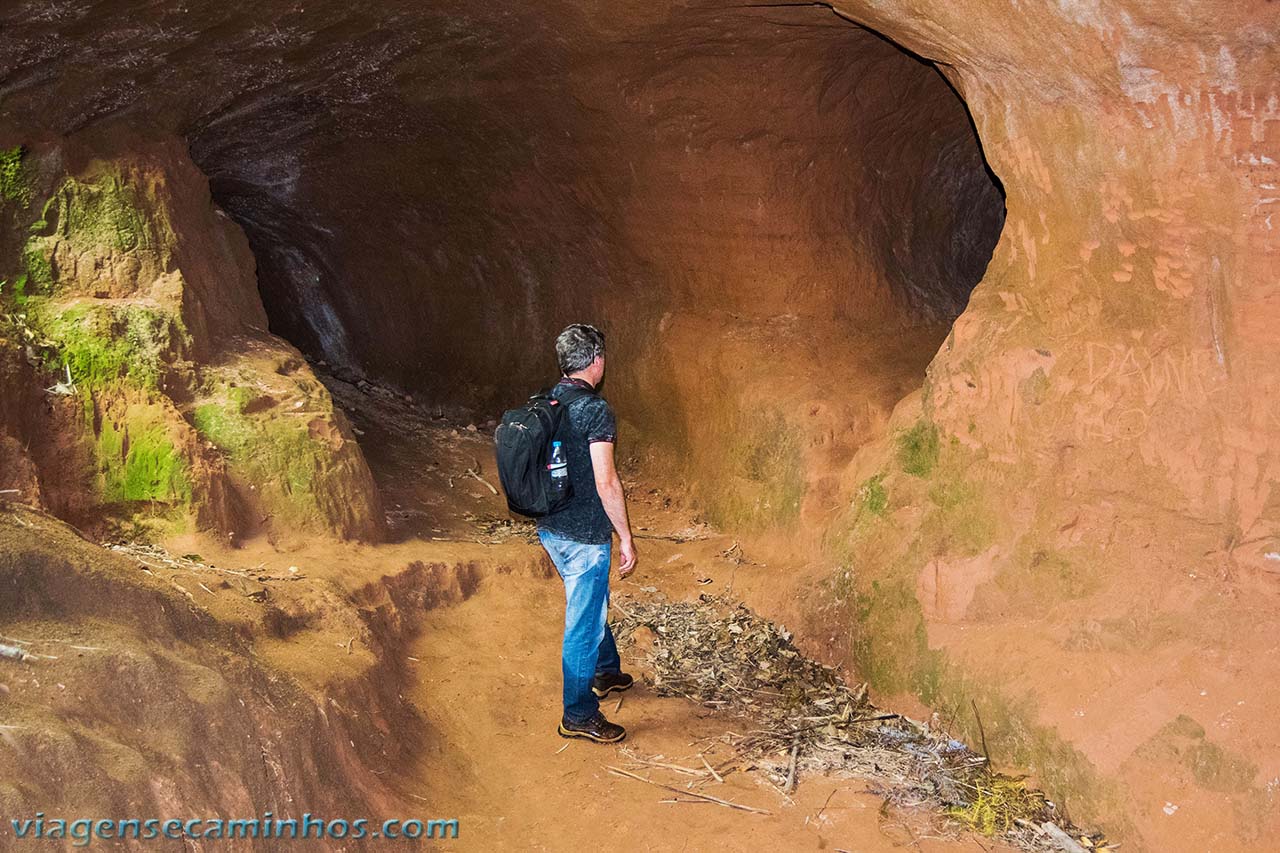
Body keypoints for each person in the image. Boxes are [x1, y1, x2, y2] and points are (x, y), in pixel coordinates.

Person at [537, 323, 638, 743]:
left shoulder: (548, 401)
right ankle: (578, 713)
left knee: (592, 598)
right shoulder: (594, 410)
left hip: (551, 528)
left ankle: (606, 671)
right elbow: (607, 482)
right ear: (596, 360)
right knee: (582, 623)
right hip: (583, 537)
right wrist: (626, 537)